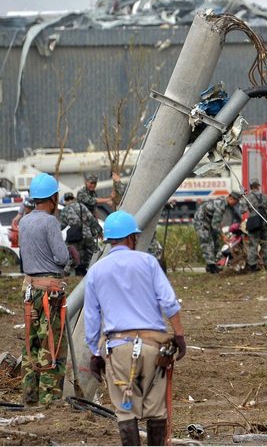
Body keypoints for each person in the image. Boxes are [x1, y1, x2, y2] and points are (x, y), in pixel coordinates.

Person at [84, 211, 186, 446]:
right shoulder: (148, 262)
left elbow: (91, 318)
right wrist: (179, 335)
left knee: (126, 409)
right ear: (131, 238)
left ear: (109, 239)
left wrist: (96, 353)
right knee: (157, 409)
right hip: (153, 348)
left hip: (118, 349)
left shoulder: (96, 271)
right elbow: (169, 303)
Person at [18, 173, 71, 405]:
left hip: (29, 289)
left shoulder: (24, 221)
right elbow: (61, 257)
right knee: (52, 345)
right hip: (49, 291)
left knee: (32, 344)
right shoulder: (50, 222)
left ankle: (30, 398)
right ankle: (49, 401)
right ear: (53, 198)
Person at [193, 191, 242, 274]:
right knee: (207, 242)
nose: (235, 204)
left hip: (208, 221)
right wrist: (223, 236)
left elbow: (217, 221)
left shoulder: (224, 203)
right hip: (201, 221)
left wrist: (221, 233)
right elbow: (215, 225)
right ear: (230, 198)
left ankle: (213, 264)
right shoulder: (221, 205)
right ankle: (211, 266)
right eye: (235, 202)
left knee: (216, 242)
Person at [243, 179, 267, 273]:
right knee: (266, 244)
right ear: (258, 186)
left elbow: (242, 209)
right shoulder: (265, 197)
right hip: (264, 223)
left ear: (250, 187)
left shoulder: (247, 197)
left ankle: (253, 267)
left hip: (253, 223)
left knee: (253, 245)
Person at [59, 192, 100, 275]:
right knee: (93, 253)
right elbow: (91, 218)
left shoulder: (65, 210)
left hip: (75, 236)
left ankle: (67, 273)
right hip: (87, 234)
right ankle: (96, 270)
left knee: (75, 256)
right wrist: (99, 230)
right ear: (73, 198)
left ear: (65, 201)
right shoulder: (81, 206)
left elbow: (62, 225)